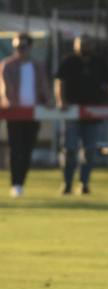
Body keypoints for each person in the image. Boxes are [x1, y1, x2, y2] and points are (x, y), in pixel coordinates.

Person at [55, 35, 108, 195]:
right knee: (69, 149)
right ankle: (66, 183)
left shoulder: (99, 63)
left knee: (90, 151)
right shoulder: (69, 61)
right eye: (81, 44)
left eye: (87, 44)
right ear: (75, 45)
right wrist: (61, 100)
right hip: (72, 112)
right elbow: (59, 81)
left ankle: (84, 183)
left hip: (93, 113)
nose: (84, 47)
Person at [0, 33, 52, 197]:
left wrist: (49, 100)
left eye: (23, 47)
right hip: (15, 114)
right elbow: (5, 88)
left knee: (28, 149)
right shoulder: (7, 65)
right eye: (17, 47)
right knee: (16, 149)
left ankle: (21, 182)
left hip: (33, 114)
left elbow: (44, 86)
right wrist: (9, 102)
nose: (20, 51)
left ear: (29, 47)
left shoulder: (37, 66)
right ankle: (15, 184)